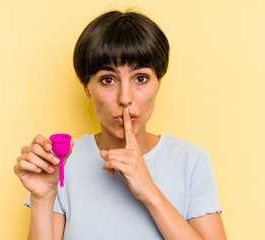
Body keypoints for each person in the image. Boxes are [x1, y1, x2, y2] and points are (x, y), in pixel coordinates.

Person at [14, 10, 227, 240]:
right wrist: (43, 198)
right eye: (108, 79)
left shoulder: (191, 161)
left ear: (158, 83)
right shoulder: (62, 163)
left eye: (141, 78)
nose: (125, 97)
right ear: (87, 87)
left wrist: (150, 192)